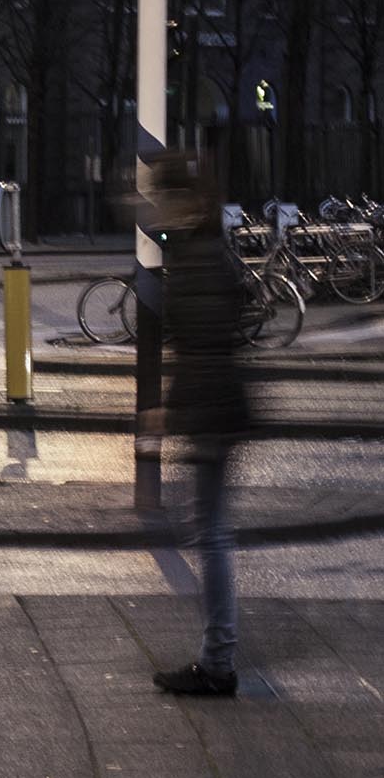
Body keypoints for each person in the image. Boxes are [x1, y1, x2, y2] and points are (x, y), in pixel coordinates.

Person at [149, 151, 249, 697]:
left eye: (163, 199)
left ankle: (218, 662)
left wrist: (176, 408)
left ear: (185, 202)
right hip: (218, 407)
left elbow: (202, 347)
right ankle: (218, 655)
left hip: (213, 411)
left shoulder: (198, 259)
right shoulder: (206, 251)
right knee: (209, 530)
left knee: (209, 534)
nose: (156, 209)